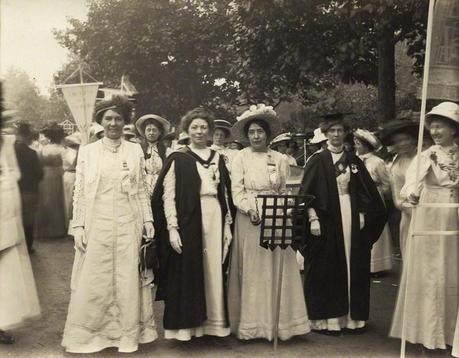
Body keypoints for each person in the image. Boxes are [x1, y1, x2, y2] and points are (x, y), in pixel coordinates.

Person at [62, 96, 157, 353]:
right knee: (95, 276)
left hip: (129, 221)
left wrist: (147, 219)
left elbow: (140, 190)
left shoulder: (135, 150)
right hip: (98, 221)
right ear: (100, 122)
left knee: (127, 276)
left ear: (125, 121)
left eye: (118, 118)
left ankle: (126, 335)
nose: (113, 123)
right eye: (108, 118)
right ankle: (92, 335)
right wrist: (78, 226)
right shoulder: (88, 151)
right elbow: (80, 191)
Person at [228, 104, 310, 341]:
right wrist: (249, 209)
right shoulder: (239, 157)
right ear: (247, 134)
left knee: (277, 265)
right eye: (252, 132)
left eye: (260, 132)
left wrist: (285, 208)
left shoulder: (280, 158)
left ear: (267, 134)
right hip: (251, 216)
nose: (256, 136)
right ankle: (253, 325)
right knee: (255, 270)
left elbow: (284, 189)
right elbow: (237, 191)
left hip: (277, 214)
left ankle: (281, 324)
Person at [299, 113, 387, 334]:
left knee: (352, 262)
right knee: (327, 266)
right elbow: (306, 194)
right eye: (332, 131)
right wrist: (312, 218)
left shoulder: (353, 160)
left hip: (350, 214)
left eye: (340, 130)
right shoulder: (317, 160)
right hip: (326, 220)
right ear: (326, 133)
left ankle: (352, 319)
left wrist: (363, 212)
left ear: (345, 132)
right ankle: (328, 319)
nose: (336, 135)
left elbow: (367, 192)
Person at [152, 107, 233, 341]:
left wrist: (227, 225)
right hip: (188, 219)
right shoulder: (178, 157)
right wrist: (172, 228)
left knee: (213, 269)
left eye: (203, 127)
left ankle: (213, 324)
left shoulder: (218, 157)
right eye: (194, 127)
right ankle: (188, 329)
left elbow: (225, 194)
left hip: (214, 216)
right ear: (187, 130)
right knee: (188, 271)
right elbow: (167, 196)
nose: (199, 131)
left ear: (210, 131)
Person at [390, 102, 459, 352]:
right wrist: (412, 195)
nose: (437, 131)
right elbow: (409, 184)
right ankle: (428, 334)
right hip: (430, 214)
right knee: (431, 272)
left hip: (454, 216)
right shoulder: (427, 155)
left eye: (442, 126)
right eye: (434, 126)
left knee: (451, 271)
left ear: (454, 129)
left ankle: (451, 334)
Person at [0, 134, 41, 344]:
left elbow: (14, 173)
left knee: (4, 271)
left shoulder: (6, 144)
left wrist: (5, 177)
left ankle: (1, 322)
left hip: (4, 211)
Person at [353, 129, 393, 274]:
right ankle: (359, 263)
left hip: (374, 198)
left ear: (366, 145)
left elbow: (386, 183)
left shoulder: (377, 162)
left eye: (358, 143)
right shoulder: (353, 160)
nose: (356, 146)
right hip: (357, 198)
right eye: (355, 143)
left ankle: (377, 265)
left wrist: (376, 193)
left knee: (375, 226)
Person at [379, 120, 419, 257]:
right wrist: (416, 212)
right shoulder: (397, 166)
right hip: (412, 216)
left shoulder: (425, 156)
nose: (403, 143)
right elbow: (399, 200)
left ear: (413, 139)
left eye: (406, 139)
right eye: (398, 141)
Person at [14, 122, 43, 253]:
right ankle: (28, 246)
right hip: (29, 191)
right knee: (28, 221)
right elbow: (39, 173)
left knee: (13, 219)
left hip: (13, 191)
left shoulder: (9, 152)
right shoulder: (31, 153)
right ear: (27, 137)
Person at [35, 123, 67, 239]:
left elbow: (39, 162)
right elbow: (67, 165)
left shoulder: (44, 148)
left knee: (45, 202)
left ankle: (44, 230)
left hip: (44, 176)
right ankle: (56, 230)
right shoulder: (62, 149)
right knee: (56, 202)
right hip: (56, 176)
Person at [135, 114, 171, 197]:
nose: (151, 133)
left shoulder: (166, 151)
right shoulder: (138, 149)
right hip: (142, 189)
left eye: (154, 130)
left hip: (161, 188)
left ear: (159, 132)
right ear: (144, 132)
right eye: (148, 130)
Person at [62, 132, 81, 227]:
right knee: (69, 200)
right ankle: (67, 223)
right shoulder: (70, 152)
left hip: (72, 175)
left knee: (72, 201)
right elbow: (73, 163)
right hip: (70, 174)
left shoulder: (71, 152)